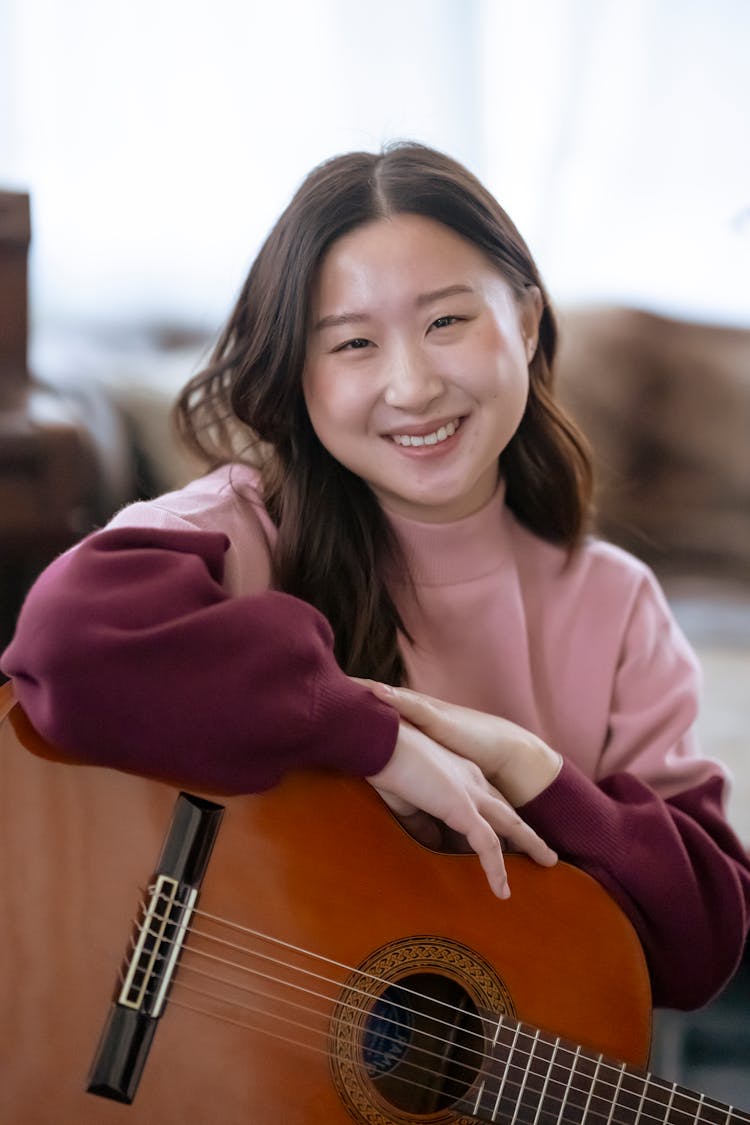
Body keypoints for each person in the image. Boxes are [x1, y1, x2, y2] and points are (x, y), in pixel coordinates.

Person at [2, 142, 748, 1013]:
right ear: (300, 375)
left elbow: (701, 939)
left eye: (447, 323)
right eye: (353, 342)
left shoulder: (617, 604)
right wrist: (379, 739)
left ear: (529, 322)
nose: (412, 384)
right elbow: (62, 641)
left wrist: (534, 771)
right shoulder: (240, 529)